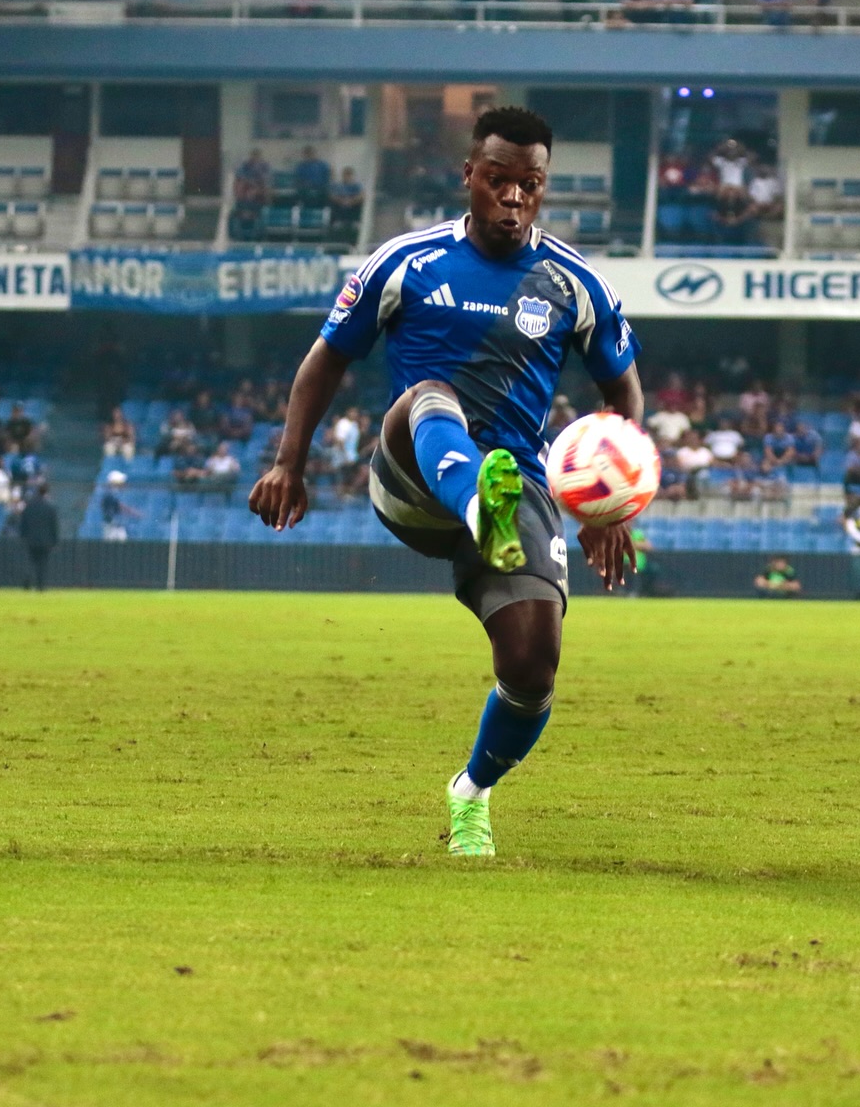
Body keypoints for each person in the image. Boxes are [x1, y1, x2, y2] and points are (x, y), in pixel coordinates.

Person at [249, 106, 642, 860]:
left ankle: (472, 791)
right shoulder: (406, 262)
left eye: (530, 185)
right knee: (432, 395)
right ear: (469, 176)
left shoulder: (575, 283)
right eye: (498, 180)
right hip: (414, 481)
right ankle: (476, 507)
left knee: (533, 666)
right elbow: (326, 358)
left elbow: (623, 392)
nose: (514, 198)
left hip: (520, 483)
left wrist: (609, 506)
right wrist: (287, 462)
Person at [19, 483, 59, 591]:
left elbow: (23, 523)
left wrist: (23, 536)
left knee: (30, 561)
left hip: (31, 539)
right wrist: (54, 540)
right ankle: (40, 585)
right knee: (42, 564)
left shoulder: (29, 507)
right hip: (45, 540)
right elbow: (53, 526)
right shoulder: (50, 508)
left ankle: (27, 580)